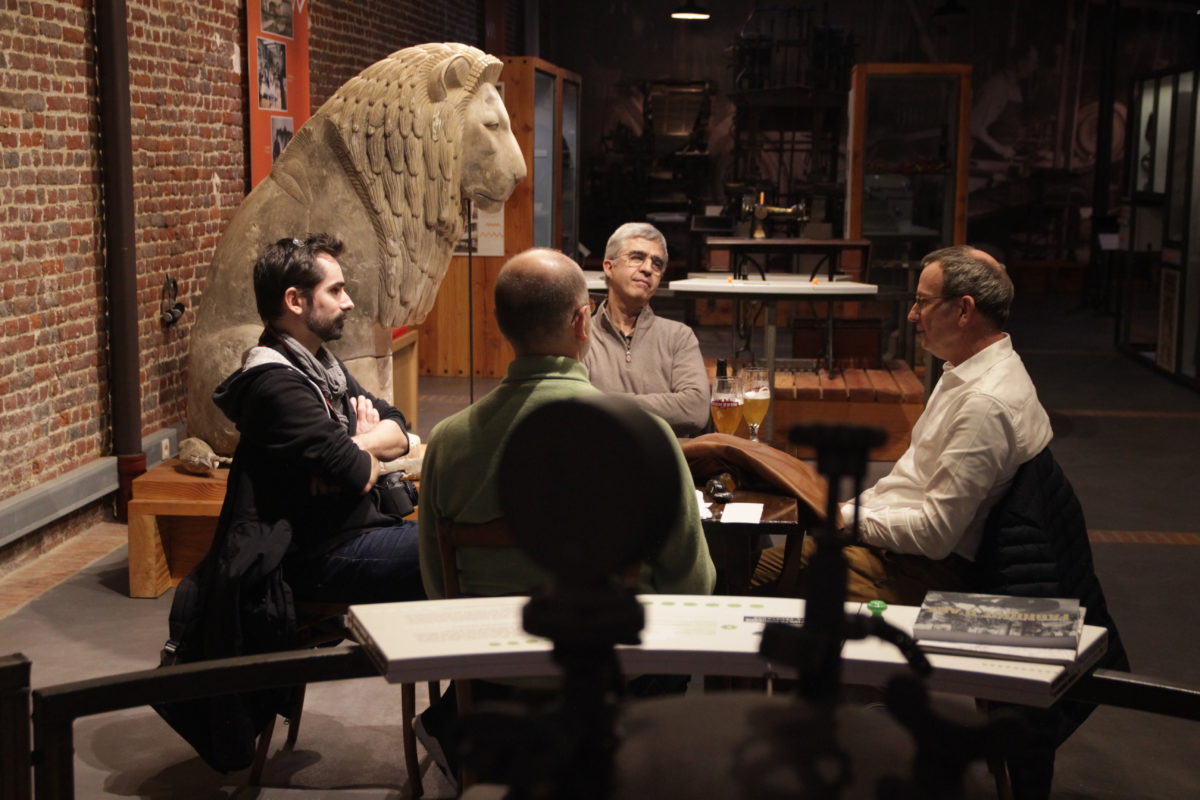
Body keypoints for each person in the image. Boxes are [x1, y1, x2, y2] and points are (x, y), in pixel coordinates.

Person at [419, 246, 715, 599]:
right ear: (581, 321)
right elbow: (693, 583)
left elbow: (436, 582)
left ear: (500, 322)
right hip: (611, 645)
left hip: (487, 647)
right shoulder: (648, 436)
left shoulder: (446, 440)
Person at [822, 245, 1053, 605]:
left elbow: (935, 534)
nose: (913, 315)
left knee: (751, 573)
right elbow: (910, 483)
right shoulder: (969, 371)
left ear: (963, 310)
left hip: (916, 571)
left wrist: (845, 520)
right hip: (897, 549)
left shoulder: (984, 405)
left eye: (922, 302)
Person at [210, 232, 425, 605]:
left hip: (356, 531)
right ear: (295, 301)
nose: (349, 302)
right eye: (336, 291)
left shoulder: (323, 366)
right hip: (313, 555)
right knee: (458, 552)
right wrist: (355, 454)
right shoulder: (274, 384)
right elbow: (356, 473)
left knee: (462, 542)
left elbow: (398, 426)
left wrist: (354, 445)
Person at [583, 222, 710, 437]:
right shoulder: (581, 336)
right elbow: (577, 412)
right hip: (599, 462)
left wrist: (607, 403)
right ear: (609, 267)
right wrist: (662, 407)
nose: (647, 268)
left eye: (657, 264)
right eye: (636, 257)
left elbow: (695, 410)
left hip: (667, 464)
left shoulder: (678, 336)